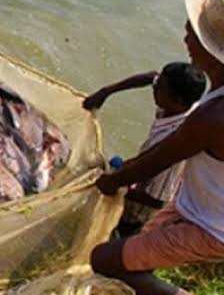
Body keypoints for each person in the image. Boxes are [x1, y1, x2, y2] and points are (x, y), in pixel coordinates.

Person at [91, 0, 224, 295]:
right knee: (138, 259)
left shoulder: (218, 115)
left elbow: (157, 162)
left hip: (215, 228)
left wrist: (109, 181)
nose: (185, 37)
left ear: (211, 51)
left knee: (103, 258)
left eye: (193, 31)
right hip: (197, 206)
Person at [83, 62, 207, 237]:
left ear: (177, 100)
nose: (154, 88)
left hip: (143, 204)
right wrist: (106, 91)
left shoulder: (173, 142)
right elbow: (151, 77)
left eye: (160, 88)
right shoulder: (181, 105)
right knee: (114, 165)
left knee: (118, 231)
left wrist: (118, 186)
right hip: (142, 173)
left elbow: (156, 200)